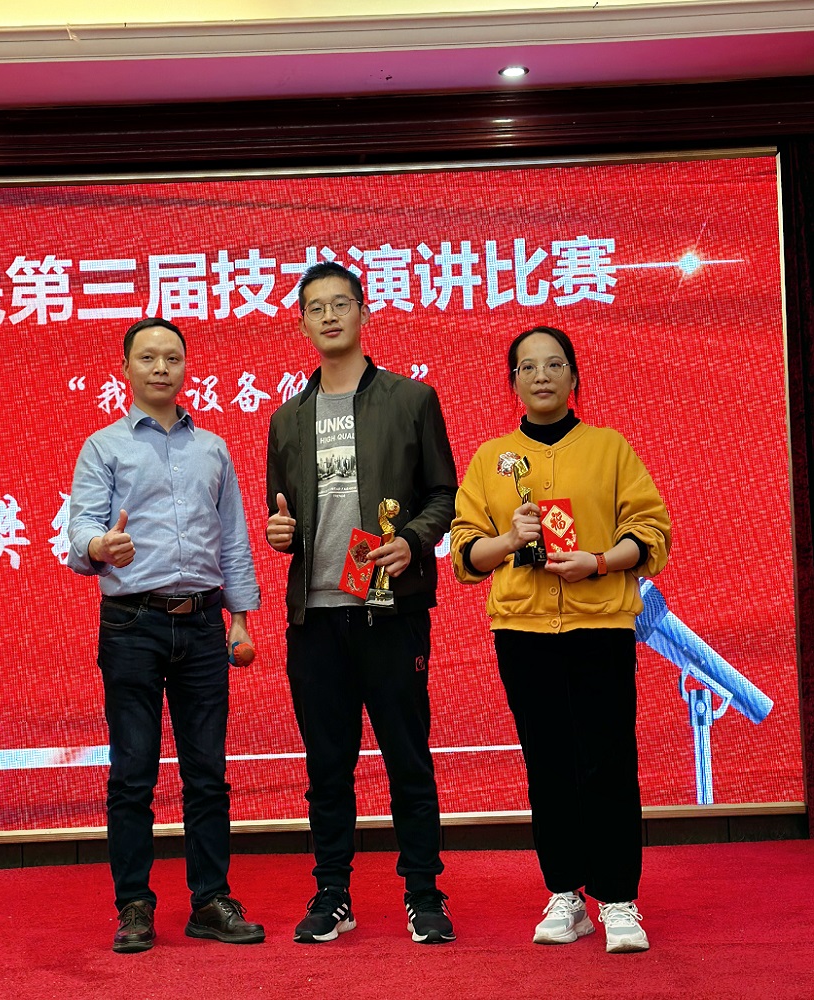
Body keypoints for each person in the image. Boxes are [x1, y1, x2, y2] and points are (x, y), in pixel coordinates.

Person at [451, 326, 670, 954]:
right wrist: (510, 539)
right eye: (528, 367)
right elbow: (466, 552)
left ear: (574, 377)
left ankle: (619, 898)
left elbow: (651, 531)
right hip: (523, 630)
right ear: (513, 383)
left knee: (608, 761)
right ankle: (566, 893)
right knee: (547, 763)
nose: (541, 376)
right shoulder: (492, 458)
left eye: (554, 365)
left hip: (599, 625)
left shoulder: (609, 447)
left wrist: (597, 563)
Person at [266, 261, 457, 945]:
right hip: (315, 617)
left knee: (408, 757)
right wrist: (279, 532)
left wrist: (412, 540)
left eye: (340, 303)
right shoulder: (287, 419)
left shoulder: (411, 399)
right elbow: (283, 514)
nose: (329, 316)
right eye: (315, 307)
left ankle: (424, 893)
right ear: (301, 323)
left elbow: (443, 493)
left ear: (364, 312)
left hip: (390, 611)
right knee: (327, 767)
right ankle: (332, 894)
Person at [67, 317, 265, 953]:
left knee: (207, 773)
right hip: (132, 624)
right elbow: (80, 532)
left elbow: (233, 538)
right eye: (148, 358)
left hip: (204, 623)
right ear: (125, 368)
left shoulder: (213, 449)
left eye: (172, 358)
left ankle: (210, 901)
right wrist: (102, 546)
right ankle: (133, 906)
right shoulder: (103, 447)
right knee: (133, 774)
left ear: (185, 368)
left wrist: (240, 617)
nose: (160, 368)